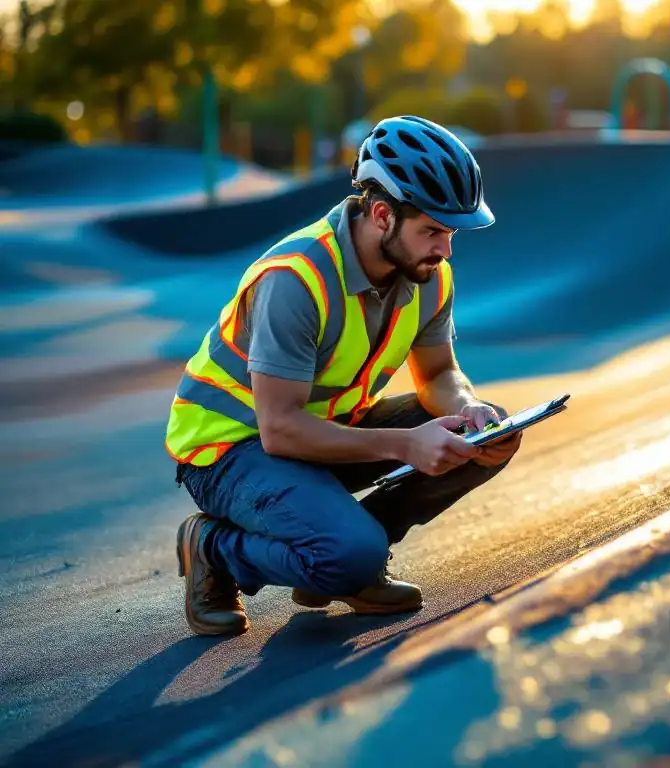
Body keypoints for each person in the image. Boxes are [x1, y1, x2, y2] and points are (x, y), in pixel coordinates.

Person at [165, 115, 521, 636]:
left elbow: (440, 373)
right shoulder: (295, 279)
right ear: (381, 215)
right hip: (229, 450)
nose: (445, 250)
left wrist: (467, 409)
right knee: (350, 552)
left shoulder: (425, 273)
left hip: (318, 433)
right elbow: (280, 430)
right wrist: (404, 445)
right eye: (434, 231)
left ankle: (339, 562)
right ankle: (216, 550)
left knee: (488, 436)